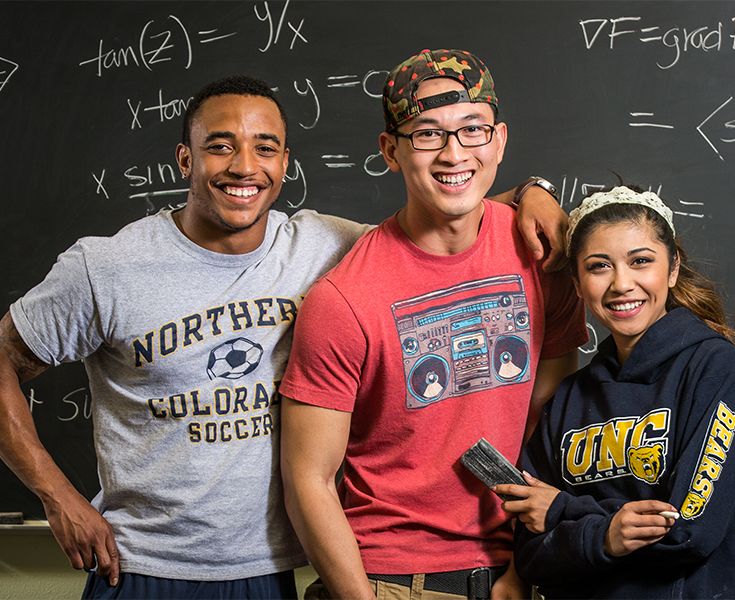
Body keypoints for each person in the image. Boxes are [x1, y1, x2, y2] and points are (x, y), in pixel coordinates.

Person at [0, 74, 567, 599]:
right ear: (183, 159)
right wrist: (57, 496)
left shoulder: (326, 247)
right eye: (220, 145)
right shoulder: (108, 269)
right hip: (141, 565)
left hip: (268, 568)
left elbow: (444, 208)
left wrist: (530, 193)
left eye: (265, 148)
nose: (244, 166)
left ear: (285, 163)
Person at [279, 49, 589, 600]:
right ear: (390, 150)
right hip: (394, 579)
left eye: (473, 130)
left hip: (524, 571)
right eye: (426, 134)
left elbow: (554, 423)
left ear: (498, 141)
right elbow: (309, 480)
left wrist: (525, 568)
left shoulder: (544, 260)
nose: (453, 154)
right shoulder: (342, 299)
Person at [497, 185, 735, 599]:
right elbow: (532, 556)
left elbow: (687, 531)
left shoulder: (714, 370)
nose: (622, 284)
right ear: (575, 283)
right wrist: (604, 533)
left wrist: (567, 514)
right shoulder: (570, 397)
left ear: (673, 268)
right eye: (598, 267)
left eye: (641, 261)